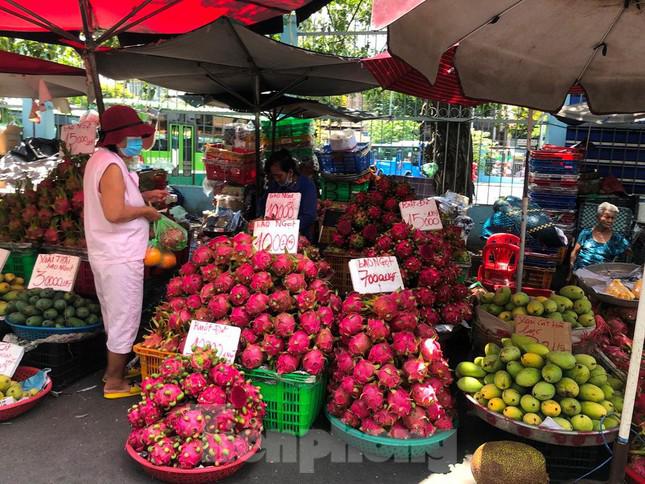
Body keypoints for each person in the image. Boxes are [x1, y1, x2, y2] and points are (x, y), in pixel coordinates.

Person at [84, 105, 168, 399]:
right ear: (118, 138)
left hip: (108, 253)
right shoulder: (111, 165)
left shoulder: (102, 160)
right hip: (119, 255)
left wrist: (144, 196)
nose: (137, 141)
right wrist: (146, 210)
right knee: (124, 317)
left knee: (115, 314)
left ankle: (112, 370)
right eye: (133, 136)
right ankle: (116, 382)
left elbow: (114, 198)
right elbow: (115, 211)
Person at [258, 149, 318, 240]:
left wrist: (285, 228)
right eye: (274, 176)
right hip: (273, 235)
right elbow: (263, 205)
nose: (276, 179)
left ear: (290, 172)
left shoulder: (307, 186)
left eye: (279, 176)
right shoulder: (274, 185)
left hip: (299, 236)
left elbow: (309, 216)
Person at [570, 202, 630, 271]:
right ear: (598, 217)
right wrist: (571, 271)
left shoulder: (617, 238)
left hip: (601, 274)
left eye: (612, 218)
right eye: (607, 217)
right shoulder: (586, 233)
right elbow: (575, 252)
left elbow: (629, 253)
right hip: (581, 271)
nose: (610, 221)